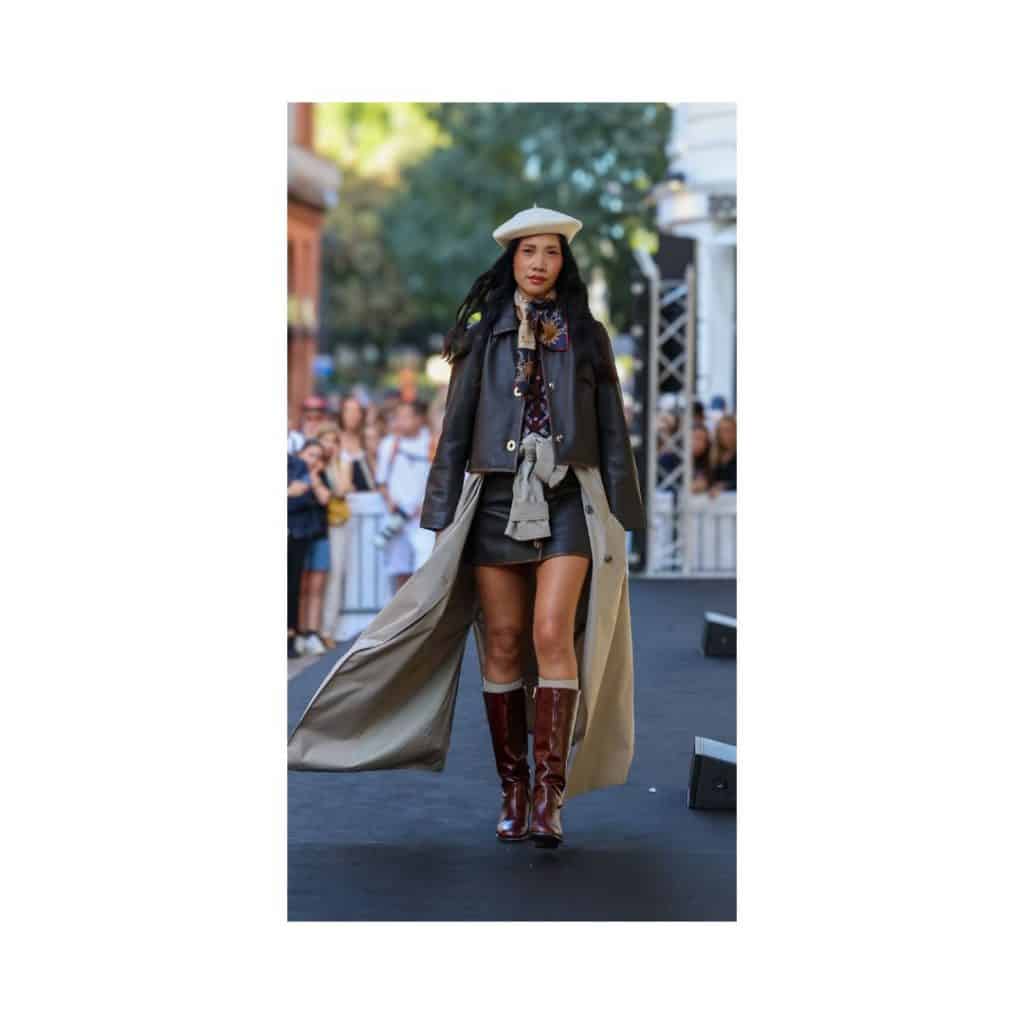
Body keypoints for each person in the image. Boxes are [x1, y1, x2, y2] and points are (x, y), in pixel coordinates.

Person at [287, 206, 645, 852]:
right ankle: (514, 788)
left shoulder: (588, 335)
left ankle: (549, 796)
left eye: (552, 252)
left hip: (567, 499)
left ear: (565, 262)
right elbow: (454, 429)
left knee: (550, 631)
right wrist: (441, 516)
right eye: (529, 251)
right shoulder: (483, 336)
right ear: (511, 258)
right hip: (494, 500)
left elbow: (613, 427)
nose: (540, 263)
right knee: (504, 641)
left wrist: (626, 513)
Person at [320, 396, 375, 643]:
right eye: (348, 410)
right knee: (334, 571)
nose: (353, 416)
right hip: (337, 516)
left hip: (365, 511)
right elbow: (343, 486)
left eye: (357, 411)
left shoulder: (364, 440)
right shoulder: (333, 449)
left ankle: (334, 628)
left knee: (354, 571)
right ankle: (326, 628)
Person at [374, 399, 434, 594]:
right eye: (398, 417)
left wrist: (426, 505)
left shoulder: (432, 443)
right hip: (397, 517)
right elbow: (381, 481)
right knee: (400, 570)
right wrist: (391, 503)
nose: (399, 421)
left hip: (423, 519)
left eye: (405, 417)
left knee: (424, 569)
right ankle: (400, 620)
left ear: (419, 419)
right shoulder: (389, 444)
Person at [287, 440, 330, 659]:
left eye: (319, 456)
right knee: (296, 587)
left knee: (311, 587)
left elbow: (325, 498)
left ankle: (308, 632)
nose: (314, 460)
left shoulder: (317, 478)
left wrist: (313, 481)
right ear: (300, 453)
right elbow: (293, 500)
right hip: (296, 534)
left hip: (315, 534)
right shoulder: (291, 471)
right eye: (310, 454)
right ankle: (297, 632)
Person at [709, 413, 737, 494]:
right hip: (716, 502)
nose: (725, 434)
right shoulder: (711, 453)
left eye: (729, 430)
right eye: (722, 431)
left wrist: (726, 486)